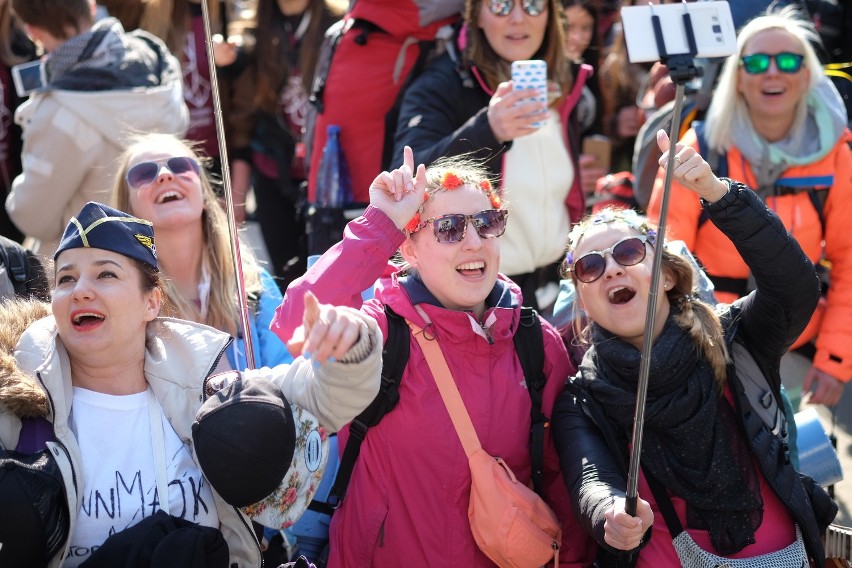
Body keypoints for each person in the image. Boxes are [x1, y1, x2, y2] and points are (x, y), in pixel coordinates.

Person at [0, 201, 383, 567]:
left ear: (151, 303)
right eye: (66, 278)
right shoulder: (14, 411)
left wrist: (349, 344)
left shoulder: (207, 390)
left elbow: (323, 396)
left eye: (106, 274)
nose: (80, 289)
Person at [271, 146, 597, 566]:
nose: (473, 241)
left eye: (486, 222)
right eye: (448, 228)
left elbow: (563, 484)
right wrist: (380, 223)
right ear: (409, 250)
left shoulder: (536, 344)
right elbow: (296, 319)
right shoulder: (384, 331)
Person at [552, 129, 837, 567]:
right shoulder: (581, 397)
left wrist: (717, 194)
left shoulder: (733, 337)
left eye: (627, 252)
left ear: (666, 276)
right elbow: (590, 477)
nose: (610, 270)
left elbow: (794, 287)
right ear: (583, 303)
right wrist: (609, 514)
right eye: (590, 267)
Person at [646, 7, 852, 407]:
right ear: (737, 78)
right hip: (708, 339)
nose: (772, 72)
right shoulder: (699, 147)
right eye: (755, 62)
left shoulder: (838, 157)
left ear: (808, 75)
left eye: (789, 60)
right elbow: (664, 253)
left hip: (793, 341)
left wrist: (835, 358)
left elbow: (849, 262)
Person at [393, 0, 589, 309]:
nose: (518, 18)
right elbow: (404, 175)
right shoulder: (442, 84)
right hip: (481, 294)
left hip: (559, 285)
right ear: (476, 16)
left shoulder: (564, 81)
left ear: (551, 15)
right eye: (500, 5)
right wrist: (489, 129)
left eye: (534, 5)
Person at [4, 0, 188, 257]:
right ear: (91, 6)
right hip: (161, 257)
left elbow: (33, 218)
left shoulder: (59, 113)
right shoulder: (156, 62)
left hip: (88, 270)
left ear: (31, 30)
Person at [112, 132, 288, 371]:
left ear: (205, 193)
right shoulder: (120, 301)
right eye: (144, 173)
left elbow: (288, 379)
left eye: (181, 166)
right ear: (126, 209)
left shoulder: (254, 285)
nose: (165, 175)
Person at [242, 0, 346, 286]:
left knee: (328, 276)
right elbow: (241, 110)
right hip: (272, 170)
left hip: (328, 175)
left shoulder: (340, 24)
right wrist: (229, 65)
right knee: (286, 278)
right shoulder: (252, 31)